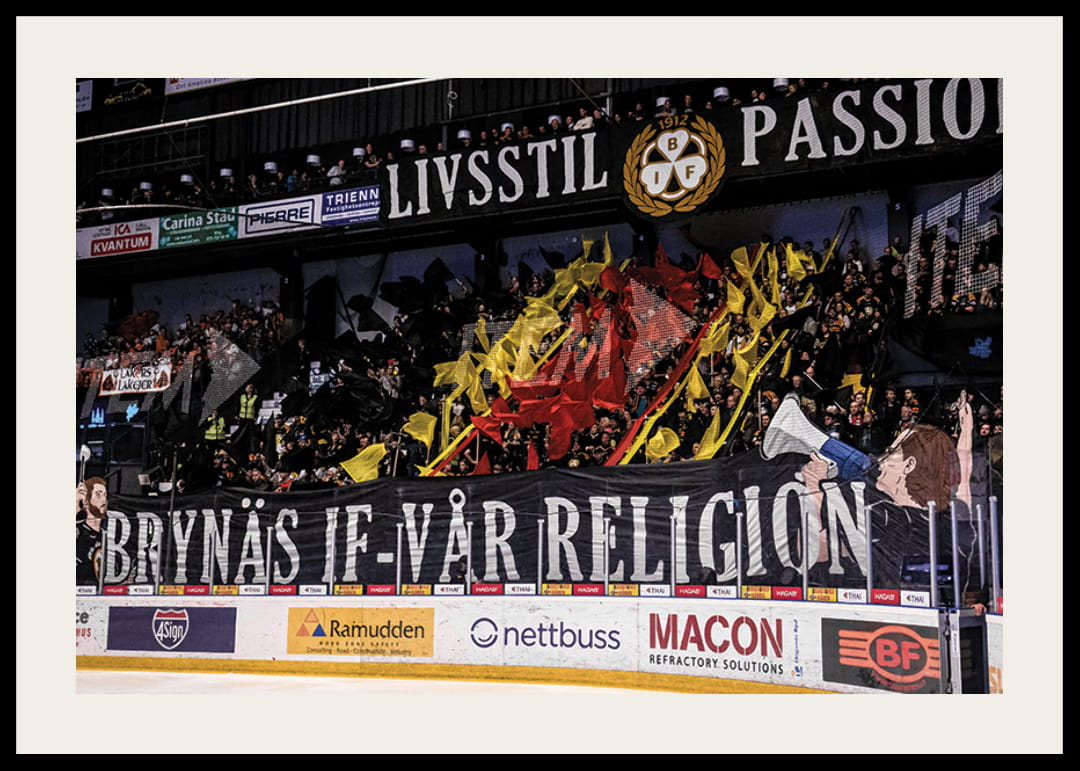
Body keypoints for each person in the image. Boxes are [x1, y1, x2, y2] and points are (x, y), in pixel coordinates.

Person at [76, 476, 108, 586]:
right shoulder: (78, 531)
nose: (103, 500)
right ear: (86, 502)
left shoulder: (109, 533)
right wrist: (76, 504)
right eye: (98, 495)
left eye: (105, 495)